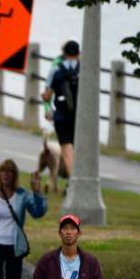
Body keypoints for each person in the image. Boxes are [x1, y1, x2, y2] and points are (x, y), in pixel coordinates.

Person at [42, 40, 80, 179]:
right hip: (79, 116)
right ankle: (79, 176)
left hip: (61, 115)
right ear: (79, 53)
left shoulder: (56, 69)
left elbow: (47, 95)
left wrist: (47, 106)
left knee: (66, 147)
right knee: (77, 146)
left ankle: (73, 179)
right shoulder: (84, 69)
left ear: (63, 53)